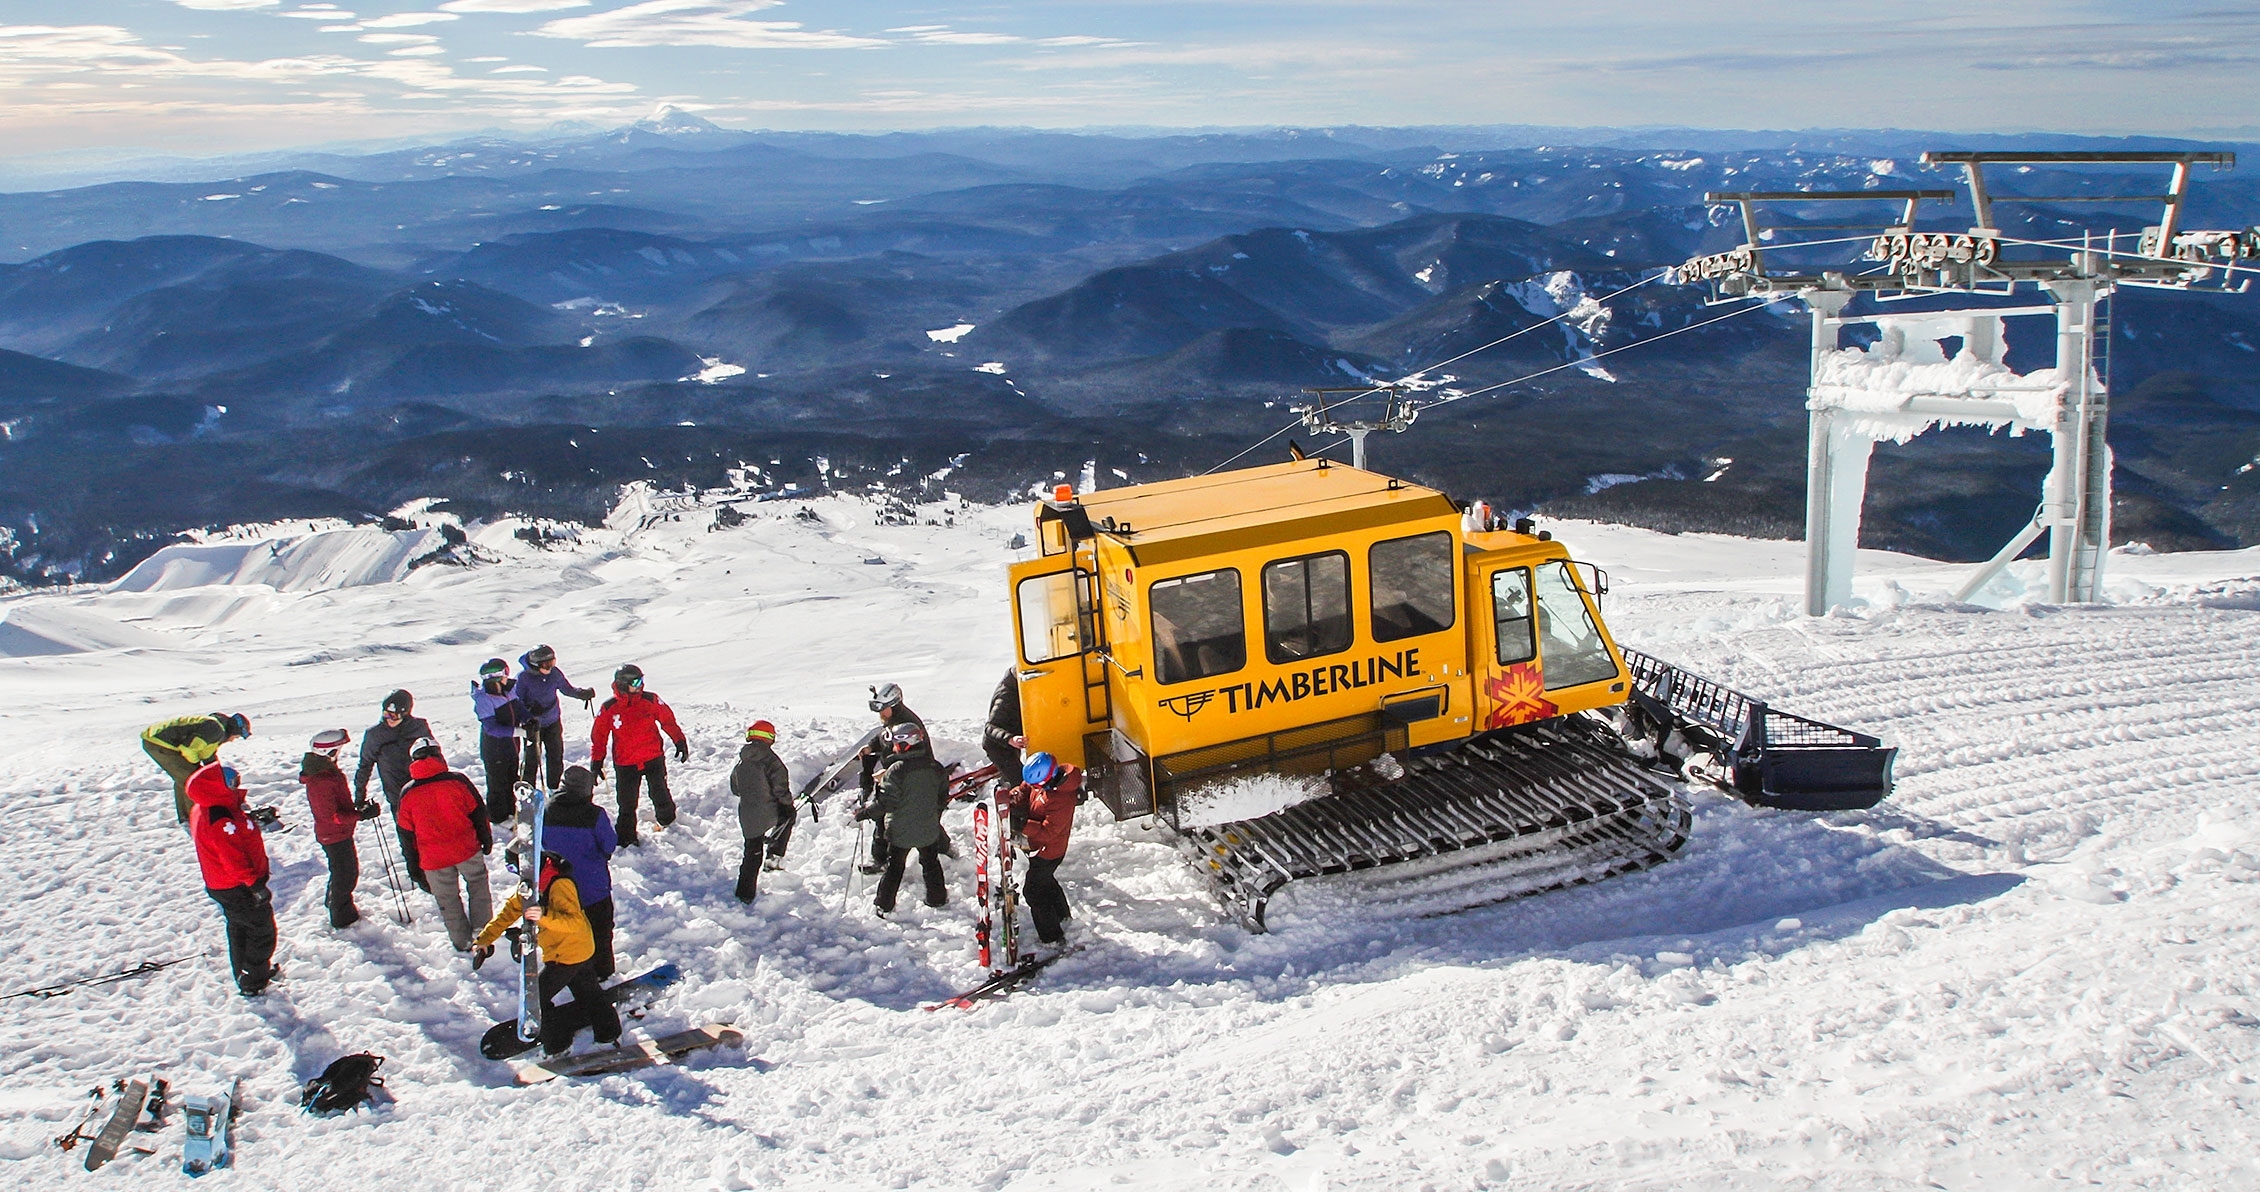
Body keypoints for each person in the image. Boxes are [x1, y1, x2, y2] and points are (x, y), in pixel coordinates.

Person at [472, 852, 620, 1057]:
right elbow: (510, 911)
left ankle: (558, 1046)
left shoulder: (559, 885)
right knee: (589, 994)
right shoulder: (532, 884)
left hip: (569, 953)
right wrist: (485, 940)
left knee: (536, 999)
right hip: (569, 950)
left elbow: (573, 922)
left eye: (515, 869)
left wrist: (543, 916)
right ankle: (608, 1034)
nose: (515, 875)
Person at [187, 761, 278, 996]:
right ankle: (253, 979)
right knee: (261, 929)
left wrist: (251, 820)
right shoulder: (220, 818)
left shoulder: (209, 806)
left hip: (223, 884)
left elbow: (234, 834)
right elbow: (231, 856)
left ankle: (245, 973)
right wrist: (254, 884)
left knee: (240, 928)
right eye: (230, 782)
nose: (236, 785)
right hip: (236, 885)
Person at [395, 739, 494, 953]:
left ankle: (462, 942)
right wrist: (486, 838)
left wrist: (413, 866)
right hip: (466, 848)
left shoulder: (408, 792)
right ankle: (483, 935)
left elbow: (405, 834)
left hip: (433, 858)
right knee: (478, 886)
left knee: (447, 899)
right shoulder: (457, 781)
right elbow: (478, 811)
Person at [591, 664, 688, 847]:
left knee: (660, 791)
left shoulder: (650, 700)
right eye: (636, 682)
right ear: (622, 684)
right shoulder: (609, 708)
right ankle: (626, 838)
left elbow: (667, 720)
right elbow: (599, 737)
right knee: (627, 802)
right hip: (626, 763)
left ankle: (668, 821)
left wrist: (678, 740)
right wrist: (597, 761)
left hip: (653, 757)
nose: (640, 685)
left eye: (641, 680)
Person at [541, 765, 618, 978]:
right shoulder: (594, 814)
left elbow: (540, 844)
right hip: (593, 887)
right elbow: (609, 844)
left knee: (568, 933)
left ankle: (575, 975)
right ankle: (603, 973)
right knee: (600, 931)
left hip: (560, 888)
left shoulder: (545, 812)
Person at [301, 728, 381, 929]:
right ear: (327, 753)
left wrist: (357, 810)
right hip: (334, 835)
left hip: (338, 833)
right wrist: (360, 815)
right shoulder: (321, 780)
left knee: (342, 872)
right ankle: (342, 916)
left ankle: (334, 904)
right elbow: (332, 816)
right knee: (345, 874)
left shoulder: (325, 772)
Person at [1002, 752, 1083, 947]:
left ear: (1048, 779)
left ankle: (1052, 936)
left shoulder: (1062, 798)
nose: (1035, 787)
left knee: (1034, 891)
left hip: (1050, 851)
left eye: (1038, 785)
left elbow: (1049, 832)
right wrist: (1014, 796)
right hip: (1039, 846)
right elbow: (1025, 788)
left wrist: (1023, 825)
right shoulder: (1041, 781)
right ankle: (1062, 915)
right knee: (1046, 881)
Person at [868, 721, 948, 914]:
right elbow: (942, 797)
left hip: (900, 832)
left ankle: (884, 904)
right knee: (931, 862)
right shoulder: (935, 767)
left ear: (904, 744)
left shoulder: (896, 771)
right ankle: (937, 898)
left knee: (894, 867)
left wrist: (864, 813)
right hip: (928, 829)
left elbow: (886, 803)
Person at [355, 690, 433, 888]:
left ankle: (436, 869)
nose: (388, 719)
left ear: (406, 713)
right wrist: (359, 796)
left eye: (394, 715)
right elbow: (364, 765)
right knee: (407, 836)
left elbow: (434, 753)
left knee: (429, 831)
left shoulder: (419, 727)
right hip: (397, 795)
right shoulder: (375, 735)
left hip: (423, 789)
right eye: (385, 714)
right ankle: (417, 874)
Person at [854, 683, 926, 874]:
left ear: (893, 705)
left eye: (882, 708)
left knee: (893, 816)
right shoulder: (892, 720)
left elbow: (918, 756)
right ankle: (880, 858)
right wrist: (870, 747)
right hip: (896, 775)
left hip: (906, 779)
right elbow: (883, 738)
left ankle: (885, 860)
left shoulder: (908, 724)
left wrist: (889, 772)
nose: (880, 713)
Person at [143, 712, 249, 825]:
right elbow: (188, 749)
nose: (232, 740)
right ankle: (194, 818)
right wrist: (197, 767)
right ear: (234, 731)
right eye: (236, 737)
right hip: (159, 743)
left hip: (158, 740)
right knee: (192, 780)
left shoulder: (217, 729)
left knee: (187, 776)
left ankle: (187, 817)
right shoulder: (215, 729)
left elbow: (207, 755)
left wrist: (217, 775)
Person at [730, 721, 794, 902]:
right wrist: (788, 807)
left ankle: (744, 892)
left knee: (751, 851)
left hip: (747, 813)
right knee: (788, 819)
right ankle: (774, 855)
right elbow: (781, 790)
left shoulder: (742, 762)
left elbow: (735, 788)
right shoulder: (772, 761)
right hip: (769, 812)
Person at [515, 645, 595, 791]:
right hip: (533, 725)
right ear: (535, 664)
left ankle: (555, 789)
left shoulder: (554, 674)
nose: (550, 667)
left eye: (552, 662)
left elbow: (566, 688)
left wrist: (581, 694)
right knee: (531, 760)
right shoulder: (523, 678)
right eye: (546, 664)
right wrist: (529, 711)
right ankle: (528, 793)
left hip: (552, 722)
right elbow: (516, 702)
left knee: (555, 757)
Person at [471, 658, 526, 821]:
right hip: (494, 749)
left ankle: (511, 812)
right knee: (498, 784)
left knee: (512, 778)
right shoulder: (484, 699)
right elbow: (491, 728)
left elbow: (519, 708)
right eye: (504, 673)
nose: (507, 677)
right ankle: (498, 817)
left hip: (511, 746)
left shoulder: (508, 690)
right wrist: (517, 731)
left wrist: (529, 719)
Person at [981, 668, 1025, 786]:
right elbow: (990, 727)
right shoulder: (1006, 696)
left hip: (1011, 742)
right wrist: (1010, 739)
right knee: (1021, 782)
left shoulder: (1017, 688)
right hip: (997, 746)